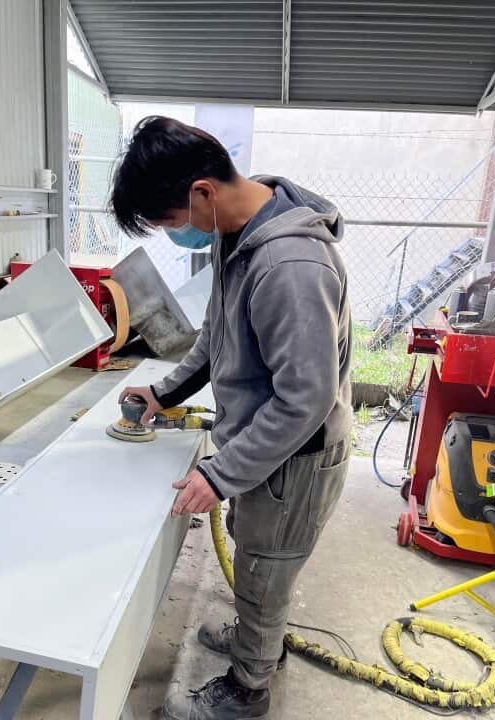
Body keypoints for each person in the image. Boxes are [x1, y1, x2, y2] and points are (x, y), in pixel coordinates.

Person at [111, 117, 352, 720]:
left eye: (170, 222)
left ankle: (249, 690)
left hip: (295, 457)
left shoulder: (291, 268)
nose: (175, 235)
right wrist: (165, 392)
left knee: (266, 572)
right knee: (255, 561)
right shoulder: (235, 232)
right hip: (264, 447)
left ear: (202, 192)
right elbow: (215, 335)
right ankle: (257, 645)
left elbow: (305, 398)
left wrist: (219, 476)